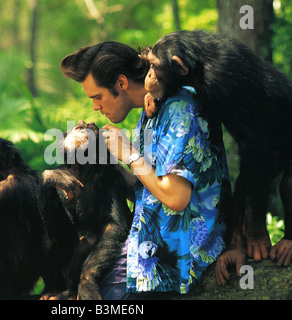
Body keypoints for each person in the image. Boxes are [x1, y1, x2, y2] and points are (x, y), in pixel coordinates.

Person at [61, 41, 230, 298]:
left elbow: (176, 197)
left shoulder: (179, 108)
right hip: (151, 241)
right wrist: (108, 164)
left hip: (178, 253)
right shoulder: (151, 110)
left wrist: (131, 155)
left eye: (97, 97)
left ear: (121, 83)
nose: (95, 107)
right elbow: (150, 190)